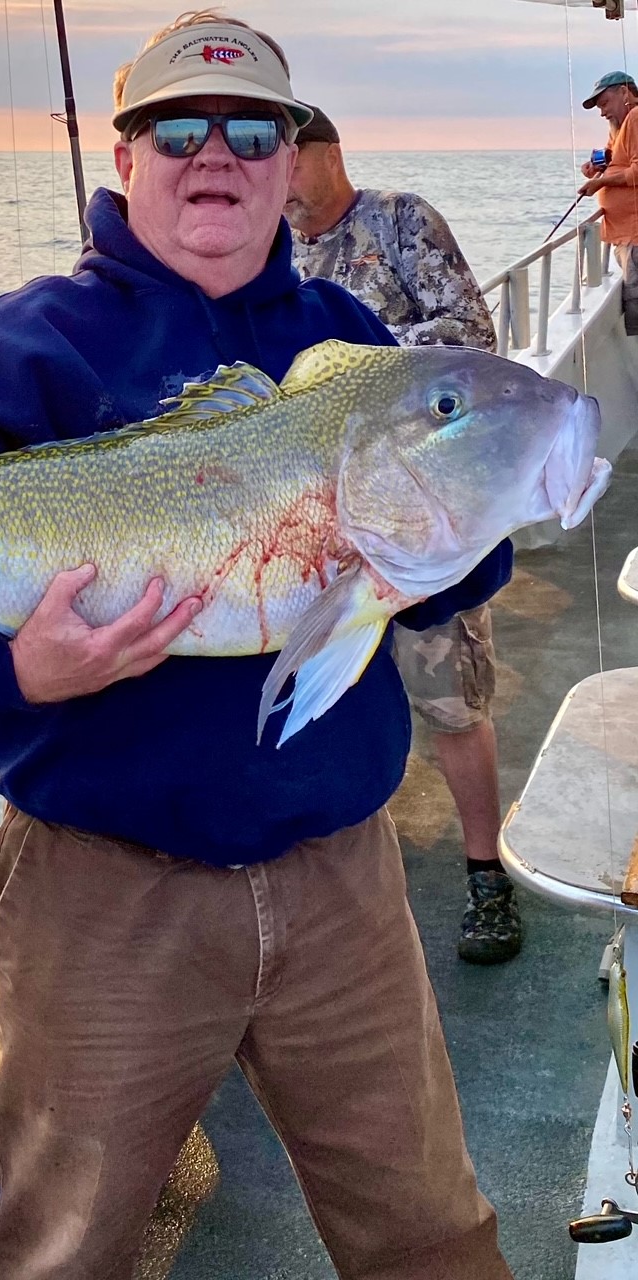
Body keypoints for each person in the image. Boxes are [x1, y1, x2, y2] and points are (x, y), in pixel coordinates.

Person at [0, 11, 513, 1279]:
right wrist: (12, 674)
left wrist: (477, 504)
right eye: (176, 128)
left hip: (342, 881)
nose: (215, 152)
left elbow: (442, 582)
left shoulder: (349, 345)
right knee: (66, 1251)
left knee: (431, 1231)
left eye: (253, 129)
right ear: (125, 157)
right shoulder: (18, 350)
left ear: (288, 161)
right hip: (100, 901)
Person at [285, 105, 522, 967]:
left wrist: (357, 363)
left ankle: (488, 876)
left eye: (290, 153)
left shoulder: (400, 220)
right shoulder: (269, 253)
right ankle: (356, 893)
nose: (280, 176)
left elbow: (472, 339)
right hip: (327, 535)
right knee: (337, 705)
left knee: (453, 705)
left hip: (424, 520)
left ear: (329, 153)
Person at [579, 70, 638, 336]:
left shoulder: (635, 118)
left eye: (605, 103)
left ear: (624, 93)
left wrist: (601, 183)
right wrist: (596, 168)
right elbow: (617, 161)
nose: (602, 112)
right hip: (625, 236)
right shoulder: (619, 127)